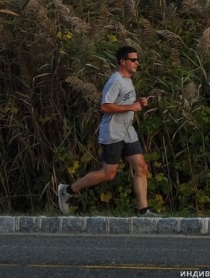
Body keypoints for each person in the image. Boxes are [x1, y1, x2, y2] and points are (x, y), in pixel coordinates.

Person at [57, 45, 159, 216]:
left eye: (137, 60)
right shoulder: (115, 81)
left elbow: (125, 103)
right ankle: (67, 191)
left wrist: (139, 104)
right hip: (113, 132)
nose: (137, 63)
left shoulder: (127, 80)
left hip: (127, 131)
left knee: (141, 167)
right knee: (108, 174)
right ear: (122, 61)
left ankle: (144, 211)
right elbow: (105, 106)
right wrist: (131, 107)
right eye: (133, 60)